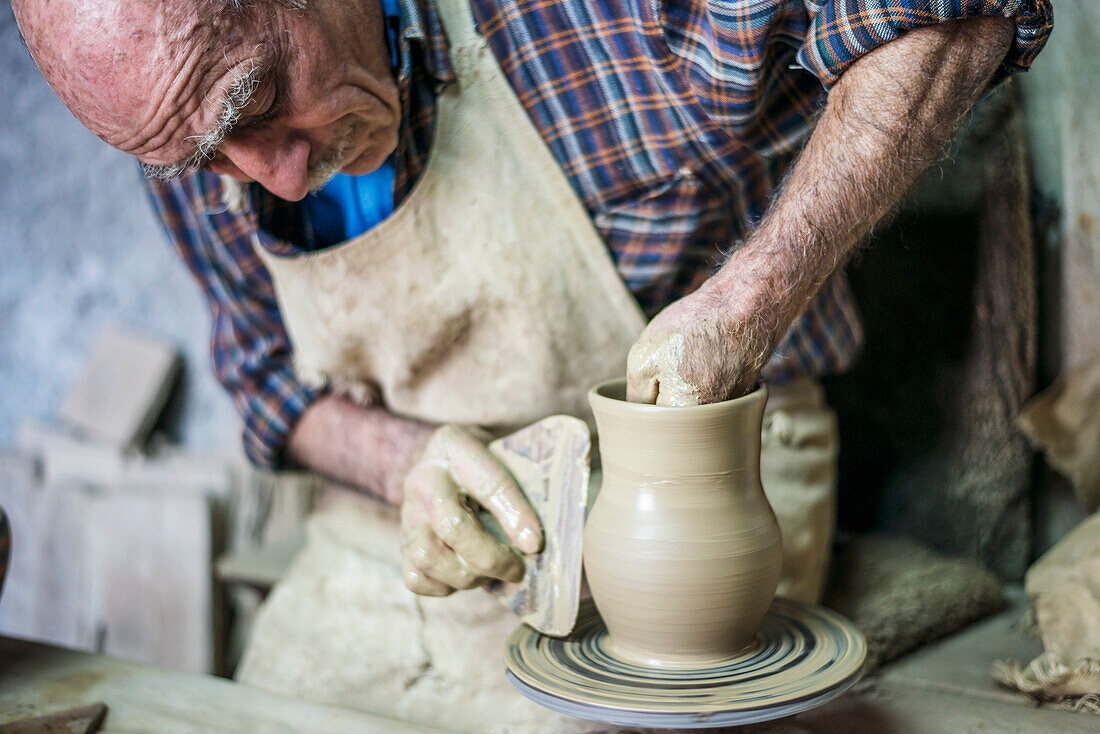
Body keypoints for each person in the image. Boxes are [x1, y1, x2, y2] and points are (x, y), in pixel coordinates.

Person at [13, 0, 1051, 605]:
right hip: (407, 533)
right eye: (200, 157)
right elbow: (262, 378)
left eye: (256, 100)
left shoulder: (593, 15)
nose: (274, 177)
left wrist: (750, 298)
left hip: (703, 503)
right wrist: (396, 458)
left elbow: (946, 11)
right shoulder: (201, 134)